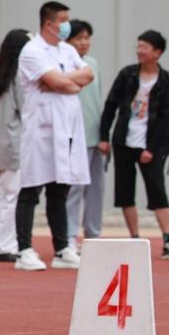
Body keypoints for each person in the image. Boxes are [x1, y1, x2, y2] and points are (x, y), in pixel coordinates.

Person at [15, 1, 94, 272]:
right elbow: (60, 82)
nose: (67, 25)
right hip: (42, 129)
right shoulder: (32, 51)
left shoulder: (67, 49)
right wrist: (65, 82)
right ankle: (24, 250)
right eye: (63, 20)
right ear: (49, 23)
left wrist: (62, 81)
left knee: (60, 190)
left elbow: (87, 75)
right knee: (31, 189)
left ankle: (62, 248)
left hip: (67, 128)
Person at [98, 30, 169, 260]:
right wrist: (104, 136)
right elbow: (110, 105)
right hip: (123, 141)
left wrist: (152, 149)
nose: (139, 50)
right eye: (138, 46)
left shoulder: (166, 81)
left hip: (151, 146)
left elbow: (166, 119)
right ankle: (135, 239)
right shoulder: (127, 75)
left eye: (144, 47)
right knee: (125, 192)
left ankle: (168, 241)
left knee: (158, 191)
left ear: (157, 52)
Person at [0, 29, 31, 263]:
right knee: (13, 197)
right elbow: (26, 109)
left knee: (1, 195)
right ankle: (6, 244)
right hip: (14, 142)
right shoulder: (19, 76)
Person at [65, 20, 105, 248]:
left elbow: (98, 99)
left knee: (96, 189)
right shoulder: (63, 64)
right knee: (74, 189)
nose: (83, 42)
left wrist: (103, 135)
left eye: (86, 38)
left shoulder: (92, 64)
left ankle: (93, 234)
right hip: (73, 137)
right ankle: (69, 235)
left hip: (94, 136)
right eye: (78, 38)